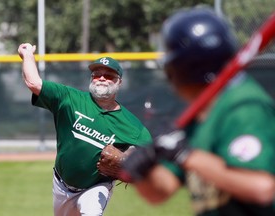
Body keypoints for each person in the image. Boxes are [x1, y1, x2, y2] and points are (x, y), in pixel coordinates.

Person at [120, 7, 275, 216]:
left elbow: (262, 188)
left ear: (180, 70)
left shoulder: (243, 106)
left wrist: (185, 154)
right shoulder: (200, 114)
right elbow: (160, 192)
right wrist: (142, 170)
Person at [17, 45, 152, 216]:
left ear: (119, 82)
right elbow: (33, 83)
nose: (101, 78)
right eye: (96, 75)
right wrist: (27, 54)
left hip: (95, 187)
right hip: (61, 184)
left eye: (109, 75)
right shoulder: (69, 99)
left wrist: (131, 159)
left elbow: (151, 155)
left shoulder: (133, 126)